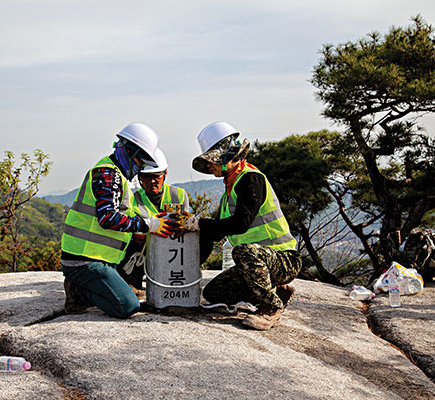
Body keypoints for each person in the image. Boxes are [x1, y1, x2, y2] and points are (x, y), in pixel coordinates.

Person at [182, 121, 302, 330]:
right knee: (214, 293)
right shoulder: (231, 186)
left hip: (283, 259)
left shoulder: (250, 179)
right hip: (260, 262)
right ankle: (279, 292)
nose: (210, 167)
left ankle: (270, 307)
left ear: (226, 155)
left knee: (243, 252)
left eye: (212, 161)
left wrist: (199, 223)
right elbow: (215, 232)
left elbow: (240, 224)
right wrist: (190, 271)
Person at [61, 122, 177, 318]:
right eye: (140, 162)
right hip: (84, 261)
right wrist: (148, 225)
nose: (140, 168)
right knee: (127, 306)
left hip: (97, 259)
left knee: (128, 296)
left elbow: (122, 216)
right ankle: (78, 292)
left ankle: (83, 287)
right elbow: (107, 218)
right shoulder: (108, 174)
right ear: (130, 152)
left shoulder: (117, 176)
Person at [117, 148, 190, 289]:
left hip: (173, 248)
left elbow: (184, 226)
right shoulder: (133, 200)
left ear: (165, 174)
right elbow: (136, 235)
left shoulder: (179, 195)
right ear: (139, 178)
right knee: (133, 248)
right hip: (144, 250)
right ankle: (132, 284)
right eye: (146, 177)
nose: (152, 181)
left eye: (157, 176)